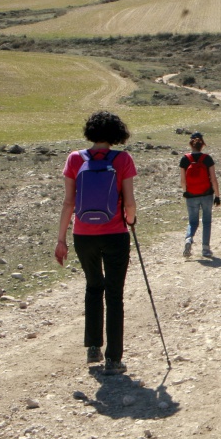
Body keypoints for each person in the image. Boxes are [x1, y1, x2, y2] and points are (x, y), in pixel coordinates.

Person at [55, 110, 137, 375]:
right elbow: (130, 202)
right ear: (116, 133)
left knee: (93, 287)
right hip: (115, 234)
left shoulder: (75, 158)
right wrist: (131, 220)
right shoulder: (122, 159)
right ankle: (114, 359)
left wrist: (61, 239)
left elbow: (68, 202)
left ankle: (93, 346)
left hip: (83, 235)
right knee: (114, 294)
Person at [180, 132, 221, 257]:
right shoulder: (207, 159)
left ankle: (189, 238)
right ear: (202, 144)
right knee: (206, 221)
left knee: (193, 222)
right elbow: (213, 179)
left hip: (191, 194)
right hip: (207, 194)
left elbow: (183, 180)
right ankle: (205, 249)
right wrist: (217, 195)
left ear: (190, 144)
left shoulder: (185, 159)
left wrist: (185, 191)